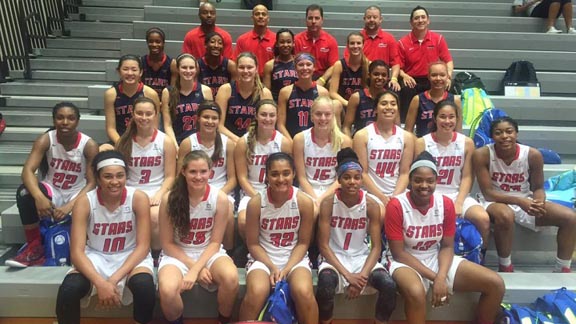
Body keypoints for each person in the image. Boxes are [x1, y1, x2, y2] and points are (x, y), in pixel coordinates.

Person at [385, 151, 505, 324]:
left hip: (435, 257)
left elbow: (447, 246)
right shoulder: (396, 205)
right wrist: (437, 279)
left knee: (495, 284)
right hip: (405, 261)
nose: (424, 185)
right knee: (416, 292)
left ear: (436, 181)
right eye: (418, 180)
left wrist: (441, 276)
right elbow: (399, 254)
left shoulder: (446, 204)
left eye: (429, 181)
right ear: (410, 181)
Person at [55, 150, 155, 324]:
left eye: (120, 176)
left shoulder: (138, 198)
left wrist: (113, 280)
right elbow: (77, 253)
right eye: (108, 176)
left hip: (130, 254)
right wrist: (101, 283)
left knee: (145, 287)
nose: (115, 182)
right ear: (98, 178)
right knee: (69, 290)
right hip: (96, 255)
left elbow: (143, 246)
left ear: (126, 176)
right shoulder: (85, 202)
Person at [473, 117, 576, 273]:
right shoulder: (483, 154)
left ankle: (562, 268)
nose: (505, 136)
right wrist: (520, 201)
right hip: (494, 201)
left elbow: (539, 187)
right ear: (492, 136)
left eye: (509, 131)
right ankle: (505, 265)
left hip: (524, 199)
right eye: (498, 132)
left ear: (517, 133)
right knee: (505, 214)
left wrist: (539, 201)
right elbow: (488, 193)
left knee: (570, 217)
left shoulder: (532, 154)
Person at [6, 102, 98, 267]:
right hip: (52, 188)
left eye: (70, 118)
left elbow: (92, 183)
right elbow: (27, 170)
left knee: (92, 200)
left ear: (77, 121)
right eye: (60, 117)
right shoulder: (46, 139)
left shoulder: (88, 145)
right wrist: (39, 197)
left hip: (77, 191)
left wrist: (70, 205)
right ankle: (35, 247)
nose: (65, 122)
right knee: (24, 193)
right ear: (54, 120)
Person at [316, 147, 397, 324]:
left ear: (361, 179)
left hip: (361, 257)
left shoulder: (371, 205)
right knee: (325, 287)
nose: (352, 182)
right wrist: (348, 276)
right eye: (346, 177)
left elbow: (376, 247)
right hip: (334, 257)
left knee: (389, 286)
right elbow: (323, 245)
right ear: (339, 180)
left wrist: (361, 275)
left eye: (356, 177)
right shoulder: (328, 204)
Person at [157, 150, 238, 324]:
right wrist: (196, 268)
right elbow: (167, 244)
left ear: (210, 172)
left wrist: (196, 269)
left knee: (231, 279)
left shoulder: (220, 198)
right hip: (177, 254)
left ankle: (222, 320)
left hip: (209, 252)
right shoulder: (169, 199)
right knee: (167, 290)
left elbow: (216, 242)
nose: (198, 176)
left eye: (203, 171)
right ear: (183, 172)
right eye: (193, 171)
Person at [239, 152, 318, 324]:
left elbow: (304, 242)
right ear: (266, 176)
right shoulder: (255, 203)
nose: (281, 179)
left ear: (294, 174)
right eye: (274, 174)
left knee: (304, 291)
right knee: (257, 291)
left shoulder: (304, 202)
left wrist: (286, 268)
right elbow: (252, 244)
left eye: (286, 173)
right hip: (263, 258)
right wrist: (273, 267)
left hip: (294, 258)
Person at [415, 101, 490, 260]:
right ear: (435, 118)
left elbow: (467, 176)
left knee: (483, 219)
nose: (447, 121)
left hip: (456, 193)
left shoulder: (467, 143)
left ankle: (479, 255)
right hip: (431, 196)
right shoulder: (422, 142)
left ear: (457, 119)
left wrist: (459, 203)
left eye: (451, 117)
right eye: (442, 117)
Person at [116, 97, 177, 253]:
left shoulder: (165, 141)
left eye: (148, 114)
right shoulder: (123, 142)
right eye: (140, 113)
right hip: (131, 190)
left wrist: (159, 194)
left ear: (156, 115)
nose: (144, 118)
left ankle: (155, 255)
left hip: (157, 189)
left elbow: (170, 176)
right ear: (133, 114)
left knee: (155, 217)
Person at [178, 101, 237, 250]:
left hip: (220, 190)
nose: (210, 121)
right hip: (192, 189)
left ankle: (228, 251)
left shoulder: (227, 143)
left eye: (214, 118)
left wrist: (216, 195)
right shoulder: (188, 143)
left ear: (219, 121)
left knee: (228, 213)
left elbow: (232, 178)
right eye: (206, 117)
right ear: (198, 118)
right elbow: (180, 175)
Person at [234, 99, 292, 239]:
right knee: (242, 222)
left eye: (272, 115)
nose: (267, 119)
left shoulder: (283, 142)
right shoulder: (243, 142)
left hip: (278, 192)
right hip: (251, 192)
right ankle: (250, 253)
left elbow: (289, 176)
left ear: (277, 117)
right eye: (263, 114)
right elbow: (242, 177)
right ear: (256, 116)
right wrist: (258, 198)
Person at [353, 90, 415, 208]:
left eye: (393, 104)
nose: (388, 107)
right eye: (384, 103)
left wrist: (395, 197)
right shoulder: (362, 136)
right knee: (379, 213)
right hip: (370, 193)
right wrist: (382, 197)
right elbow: (363, 173)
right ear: (375, 109)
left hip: (397, 193)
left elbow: (404, 173)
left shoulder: (407, 137)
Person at [395, 6, 453, 123]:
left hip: (432, 78)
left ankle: (444, 120)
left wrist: (448, 77)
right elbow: (398, 66)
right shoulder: (402, 42)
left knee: (448, 87)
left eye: (423, 17)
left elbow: (448, 61)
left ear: (428, 20)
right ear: (411, 22)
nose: (420, 20)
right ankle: (405, 123)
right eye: (416, 18)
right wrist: (404, 76)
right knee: (405, 89)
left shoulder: (438, 39)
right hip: (412, 80)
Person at [293, 96, 352, 207]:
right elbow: (301, 177)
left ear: (333, 116)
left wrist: (321, 200)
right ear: (312, 117)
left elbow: (340, 178)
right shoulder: (300, 139)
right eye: (318, 114)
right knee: (312, 212)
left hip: (334, 190)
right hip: (307, 191)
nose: (323, 118)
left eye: (327, 114)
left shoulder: (344, 141)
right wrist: (316, 200)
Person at [103, 54, 160, 147]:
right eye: (125, 69)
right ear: (119, 71)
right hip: (120, 140)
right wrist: (122, 145)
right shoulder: (111, 94)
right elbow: (110, 128)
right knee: (103, 149)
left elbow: (154, 126)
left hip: (145, 141)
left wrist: (141, 145)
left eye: (134, 70)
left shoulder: (150, 94)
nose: (130, 73)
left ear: (141, 72)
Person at [216, 52, 273, 142]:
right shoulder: (225, 90)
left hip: (255, 142)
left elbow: (268, 125)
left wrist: (251, 143)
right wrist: (240, 142)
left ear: (256, 69)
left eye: (249, 67)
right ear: (236, 69)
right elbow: (218, 125)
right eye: (241, 67)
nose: (245, 71)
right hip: (229, 141)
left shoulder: (264, 93)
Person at [277, 53, 334, 139]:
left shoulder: (323, 92)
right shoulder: (285, 92)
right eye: (300, 65)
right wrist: (292, 143)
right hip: (290, 139)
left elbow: (327, 121)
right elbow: (280, 124)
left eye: (308, 64)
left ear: (314, 67)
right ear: (295, 68)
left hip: (314, 142)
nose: (305, 68)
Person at [162, 53, 213, 147]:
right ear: (177, 69)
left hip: (200, 143)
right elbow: (167, 125)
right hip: (177, 142)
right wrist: (175, 147)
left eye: (191, 67)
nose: (188, 71)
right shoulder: (167, 92)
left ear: (196, 69)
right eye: (184, 67)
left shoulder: (205, 91)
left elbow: (210, 121)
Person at [405, 62, 462, 138]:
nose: (438, 78)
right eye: (434, 75)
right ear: (428, 77)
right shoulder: (417, 99)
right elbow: (408, 131)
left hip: (447, 145)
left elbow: (458, 132)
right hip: (423, 146)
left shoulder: (455, 100)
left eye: (442, 75)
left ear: (448, 76)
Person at [345, 5, 399, 77]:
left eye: (375, 17)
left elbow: (395, 63)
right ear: (364, 19)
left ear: (380, 19)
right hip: (360, 78)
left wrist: (394, 79)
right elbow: (348, 59)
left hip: (381, 80)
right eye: (369, 17)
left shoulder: (389, 39)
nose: (372, 20)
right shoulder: (356, 39)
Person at [343, 60, 391, 137]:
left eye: (384, 75)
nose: (380, 77)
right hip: (361, 142)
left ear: (388, 78)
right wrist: (349, 145)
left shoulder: (391, 99)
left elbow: (397, 127)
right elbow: (346, 127)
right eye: (376, 74)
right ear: (369, 75)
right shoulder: (356, 97)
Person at [294, 4, 339, 83]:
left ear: (322, 20)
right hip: (301, 75)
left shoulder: (331, 41)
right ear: (306, 20)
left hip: (322, 77)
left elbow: (334, 66)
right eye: (310, 18)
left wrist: (322, 80)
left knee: (332, 82)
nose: (313, 21)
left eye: (317, 18)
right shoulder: (297, 40)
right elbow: (294, 64)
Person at [233, 4, 276, 77]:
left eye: (263, 14)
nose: (260, 16)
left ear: (268, 18)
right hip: (248, 79)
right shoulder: (242, 39)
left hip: (270, 80)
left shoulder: (276, 39)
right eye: (257, 14)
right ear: (252, 18)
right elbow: (236, 63)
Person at [329, 32, 369, 109]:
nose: (355, 46)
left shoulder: (368, 65)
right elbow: (332, 93)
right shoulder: (339, 65)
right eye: (352, 43)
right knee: (335, 104)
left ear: (363, 45)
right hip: (344, 105)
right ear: (347, 45)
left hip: (362, 107)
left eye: (358, 43)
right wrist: (349, 104)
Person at [141, 27, 177, 98]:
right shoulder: (141, 62)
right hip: (145, 103)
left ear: (163, 43)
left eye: (158, 41)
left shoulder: (172, 63)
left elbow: (172, 91)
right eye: (151, 41)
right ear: (147, 43)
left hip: (165, 102)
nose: (154, 45)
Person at [262, 28, 298, 102]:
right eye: (282, 42)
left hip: (295, 103)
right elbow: (266, 92)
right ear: (277, 44)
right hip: (276, 103)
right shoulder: (269, 65)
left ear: (293, 43)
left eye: (288, 42)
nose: (285, 45)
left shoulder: (299, 63)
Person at [198, 31, 237, 97]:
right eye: (212, 42)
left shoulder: (230, 66)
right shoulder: (198, 65)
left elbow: (233, 92)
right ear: (205, 45)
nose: (216, 46)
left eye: (220, 43)